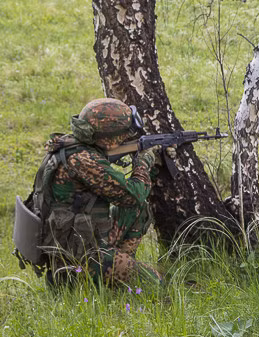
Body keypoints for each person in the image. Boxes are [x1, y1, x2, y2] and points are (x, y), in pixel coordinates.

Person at [25, 98, 165, 287]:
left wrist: (153, 162)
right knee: (154, 283)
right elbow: (134, 195)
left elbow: (133, 198)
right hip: (80, 256)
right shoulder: (83, 160)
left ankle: (115, 271)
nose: (126, 137)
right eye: (123, 133)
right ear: (107, 136)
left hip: (83, 240)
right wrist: (143, 161)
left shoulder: (70, 146)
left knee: (138, 209)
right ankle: (81, 278)